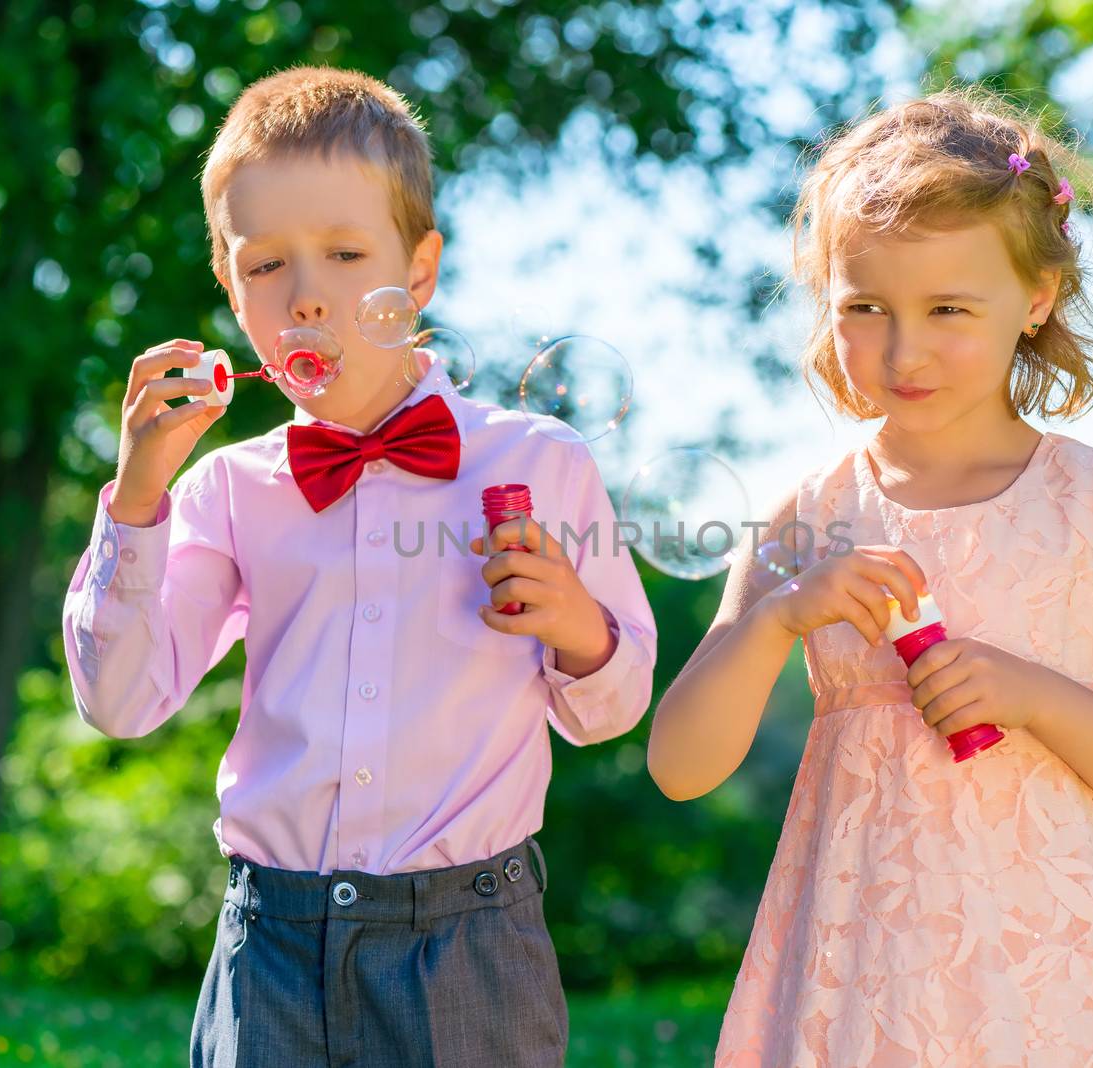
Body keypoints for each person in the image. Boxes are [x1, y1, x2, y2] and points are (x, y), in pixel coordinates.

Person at [60, 65, 657, 1068]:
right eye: (265, 267)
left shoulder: (535, 463)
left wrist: (577, 629)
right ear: (227, 283)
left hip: (469, 946)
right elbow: (120, 702)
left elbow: (611, 707)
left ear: (417, 275)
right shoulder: (223, 492)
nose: (305, 297)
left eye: (344, 254)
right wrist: (133, 503)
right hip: (270, 949)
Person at [647, 86, 1093, 1066]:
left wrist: (1034, 696)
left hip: (1067, 967)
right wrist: (772, 624)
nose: (902, 348)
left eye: (948, 309)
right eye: (864, 307)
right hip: (866, 970)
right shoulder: (806, 513)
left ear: (1038, 298)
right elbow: (680, 767)